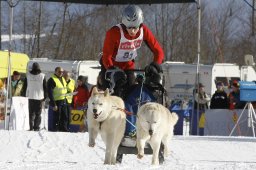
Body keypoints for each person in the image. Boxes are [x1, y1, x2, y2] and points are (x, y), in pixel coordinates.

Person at [99, 4, 164, 94]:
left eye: (135, 27)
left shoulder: (144, 31)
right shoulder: (114, 33)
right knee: (112, 94)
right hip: (110, 66)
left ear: (140, 25)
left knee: (130, 94)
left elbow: (158, 51)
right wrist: (112, 71)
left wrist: (155, 65)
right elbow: (106, 56)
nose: (132, 31)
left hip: (127, 66)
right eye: (129, 27)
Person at [22, 62, 47, 131]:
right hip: (39, 98)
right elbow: (45, 87)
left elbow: (24, 86)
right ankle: (36, 127)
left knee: (30, 113)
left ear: (32, 67)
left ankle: (31, 127)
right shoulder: (42, 75)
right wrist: (45, 97)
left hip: (30, 96)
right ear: (39, 68)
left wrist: (23, 95)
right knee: (38, 114)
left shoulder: (28, 75)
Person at [47, 67, 69, 132]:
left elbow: (64, 89)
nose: (61, 73)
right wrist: (54, 104)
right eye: (59, 72)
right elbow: (50, 93)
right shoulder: (52, 80)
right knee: (57, 117)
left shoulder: (62, 78)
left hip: (64, 100)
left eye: (62, 72)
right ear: (55, 71)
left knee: (65, 116)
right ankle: (55, 129)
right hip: (57, 101)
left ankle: (64, 129)